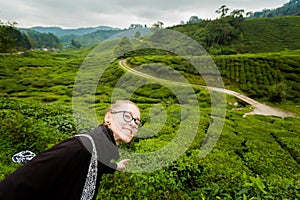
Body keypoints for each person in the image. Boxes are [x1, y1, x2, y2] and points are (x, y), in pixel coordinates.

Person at [0, 100, 141, 200]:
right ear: (108, 117)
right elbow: (19, 183)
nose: (133, 124)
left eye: (137, 121)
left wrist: (117, 166)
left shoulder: (100, 149)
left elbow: (99, 164)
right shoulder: (78, 148)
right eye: (127, 116)